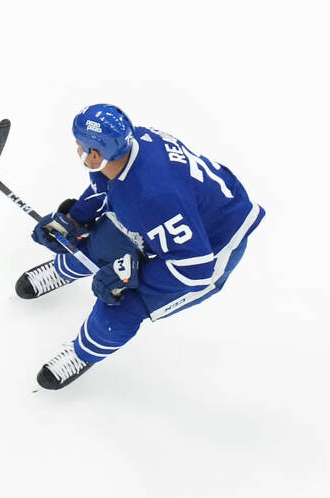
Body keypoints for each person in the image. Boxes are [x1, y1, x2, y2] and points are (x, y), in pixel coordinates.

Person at [18, 104, 264, 390]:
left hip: (213, 246)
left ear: (95, 153)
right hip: (180, 216)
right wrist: (72, 221)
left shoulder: (152, 197)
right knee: (100, 242)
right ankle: (64, 270)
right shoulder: (128, 148)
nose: (77, 151)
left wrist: (131, 276)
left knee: (122, 305)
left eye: (79, 146)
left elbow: (196, 269)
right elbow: (106, 187)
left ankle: (83, 351)